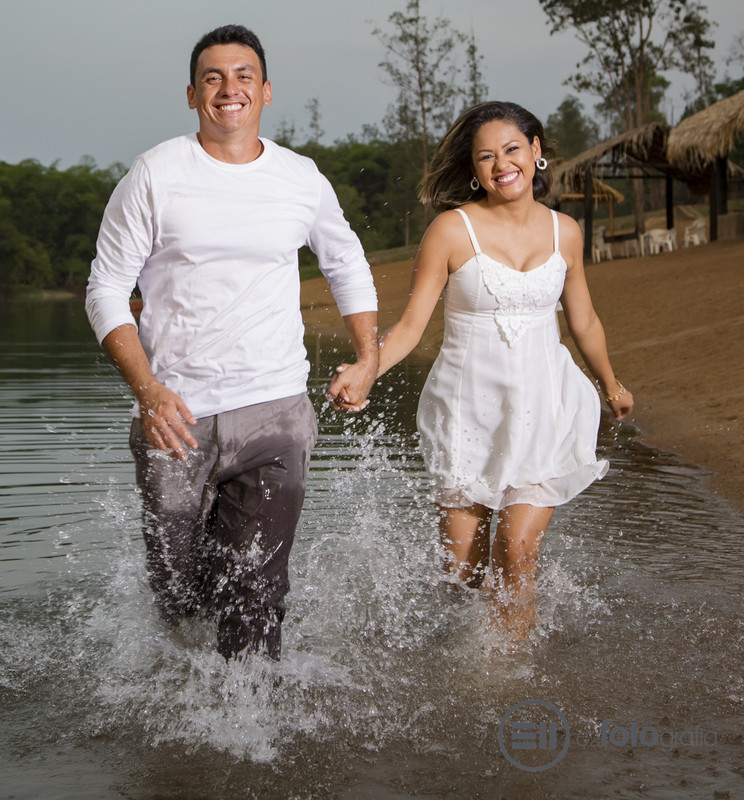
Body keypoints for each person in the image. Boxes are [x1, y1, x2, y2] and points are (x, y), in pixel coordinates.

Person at [85, 24, 379, 661]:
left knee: (257, 593)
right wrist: (148, 390)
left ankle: (256, 729)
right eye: (213, 78)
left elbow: (347, 262)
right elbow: (106, 288)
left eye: (243, 76)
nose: (229, 89)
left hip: (275, 411)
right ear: (192, 95)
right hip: (176, 416)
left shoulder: (300, 178)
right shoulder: (156, 174)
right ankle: (190, 705)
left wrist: (369, 353)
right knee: (179, 597)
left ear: (266, 92)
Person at [337, 101, 633, 638]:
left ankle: (503, 681)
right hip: (467, 411)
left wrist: (610, 383)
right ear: (474, 168)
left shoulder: (565, 231)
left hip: (545, 406)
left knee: (516, 554)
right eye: (486, 157)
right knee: (463, 574)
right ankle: (465, 667)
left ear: (536, 150)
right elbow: (409, 327)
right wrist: (367, 369)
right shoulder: (450, 232)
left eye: (512, 149)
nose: (502, 165)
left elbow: (584, 318)